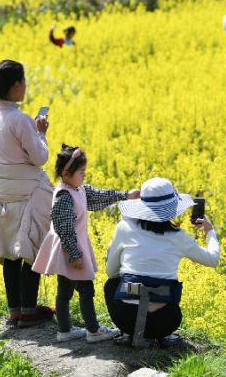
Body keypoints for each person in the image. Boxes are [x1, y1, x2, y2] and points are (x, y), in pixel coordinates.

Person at [0, 59, 55, 328]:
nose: (25, 86)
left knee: (10, 251)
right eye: (23, 82)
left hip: (3, 188)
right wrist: (41, 133)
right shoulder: (21, 119)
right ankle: (29, 311)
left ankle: (15, 310)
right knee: (30, 247)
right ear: (15, 87)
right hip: (28, 190)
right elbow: (40, 157)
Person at [32, 145, 140, 343]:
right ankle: (93, 330)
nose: (84, 176)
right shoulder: (64, 196)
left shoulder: (77, 189)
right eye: (81, 172)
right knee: (86, 290)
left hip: (69, 247)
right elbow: (64, 228)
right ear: (66, 173)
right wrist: (75, 255)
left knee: (64, 291)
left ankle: (64, 330)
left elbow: (98, 196)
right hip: (69, 248)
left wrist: (125, 195)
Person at [104, 177, 220, 345]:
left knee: (112, 284)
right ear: (173, 207)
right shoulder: (179, 238)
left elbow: (110, 272)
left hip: (126, 319)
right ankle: (161, 336)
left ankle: (131, 334)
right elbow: (213, 259)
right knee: (164, 291)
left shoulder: (124, 228)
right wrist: (210, 231)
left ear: (142, 207)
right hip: (165, 323)